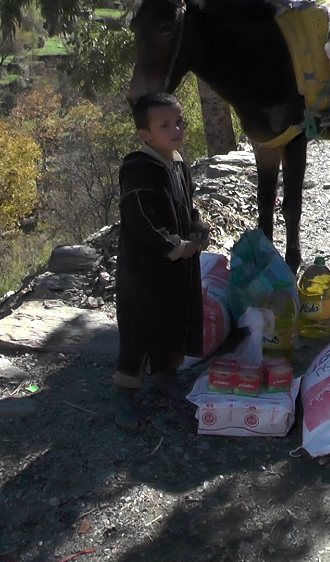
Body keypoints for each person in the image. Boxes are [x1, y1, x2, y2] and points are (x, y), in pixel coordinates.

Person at [112, 93, 210, 430]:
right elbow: (139, 220)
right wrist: (174, 246)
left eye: (179, 121)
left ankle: (165, 374)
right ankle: (125, 395)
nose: (176, 129)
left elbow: (190, 206)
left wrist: (197, 230)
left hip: (178, 266)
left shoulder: (179, 165)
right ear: (145, 135)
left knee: (173, 320)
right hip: (144, 271)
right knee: (140, 327)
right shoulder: (138, 169)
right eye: (165, 125)